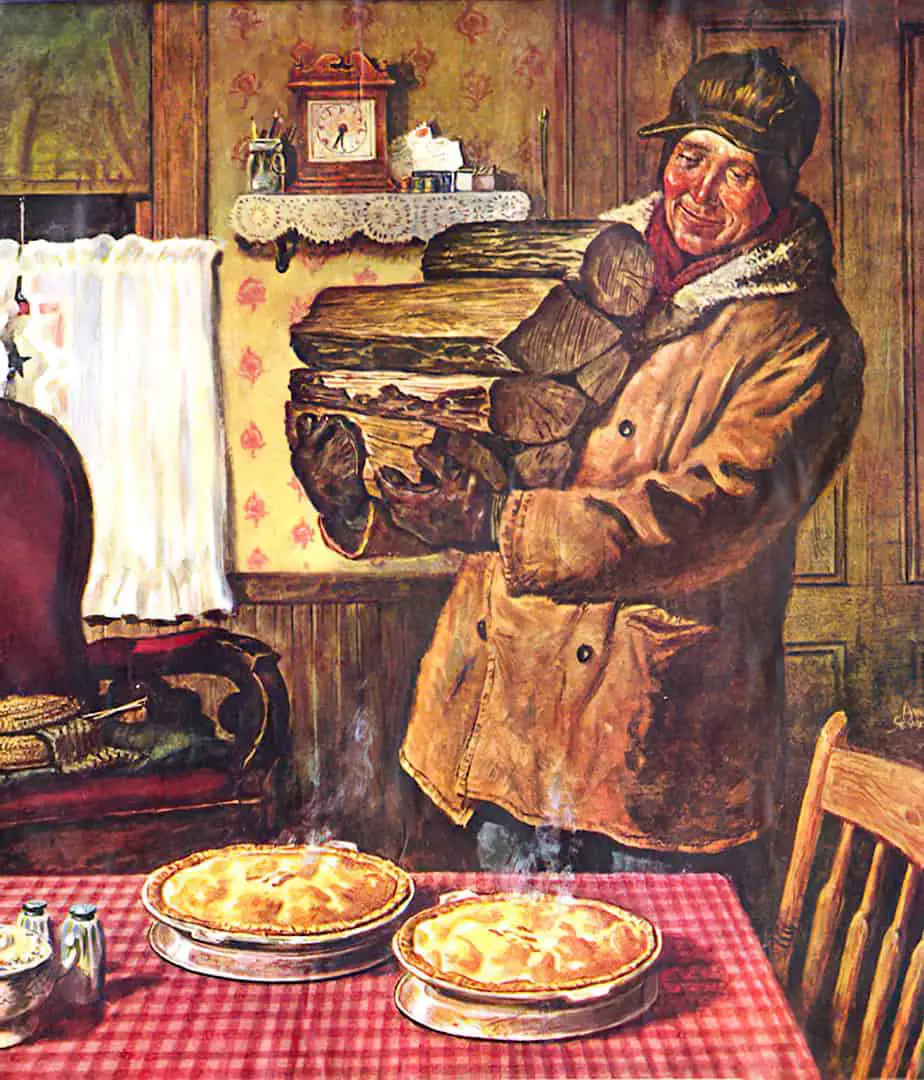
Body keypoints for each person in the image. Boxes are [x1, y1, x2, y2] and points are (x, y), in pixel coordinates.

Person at [291, 49, 865, 907]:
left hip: (650, 742)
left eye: (737, 171)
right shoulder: (576, 272)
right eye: (689, 157)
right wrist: (361, 492)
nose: (700, 192)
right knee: (501, 970)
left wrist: (498, 522)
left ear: (778, 187)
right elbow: (476, 445)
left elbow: (713, 512)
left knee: (657, 1003)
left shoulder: (804, 338)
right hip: (499, 717)